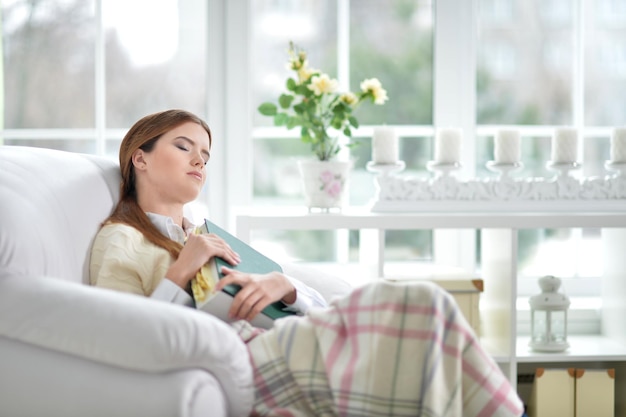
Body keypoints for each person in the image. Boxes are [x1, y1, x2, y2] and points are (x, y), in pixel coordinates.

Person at [90, 109, 524, 416]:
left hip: (280, 328)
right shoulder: (121, 240)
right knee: (421, 305)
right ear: (139, 158)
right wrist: (181, 271)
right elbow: (124, 343)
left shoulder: (208, 235)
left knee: (423, 307)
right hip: (238, 355)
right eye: (184, 146)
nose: (200, 159)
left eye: (205, 153)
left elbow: (315, 308)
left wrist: (287, 287)